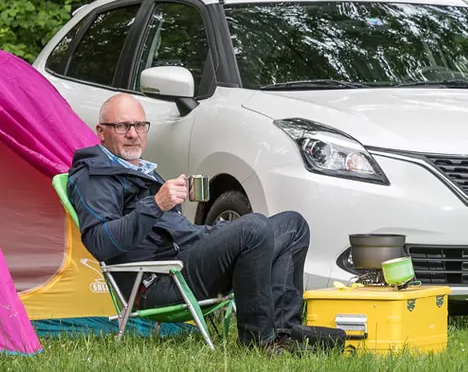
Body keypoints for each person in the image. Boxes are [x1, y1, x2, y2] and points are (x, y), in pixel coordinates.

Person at [67, 93, 311, 352]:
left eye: (139, 125)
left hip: (186, 260)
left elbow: (167, 229)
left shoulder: (139, 171)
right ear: (101, 132)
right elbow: (100, 243)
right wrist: (157, 203)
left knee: (293, 226)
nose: (133, 133)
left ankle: (284, 334)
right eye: (122, 126)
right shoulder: (94, 177)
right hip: (158, 282)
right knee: (254, 227)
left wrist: (186, 213)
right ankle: (257, 342)